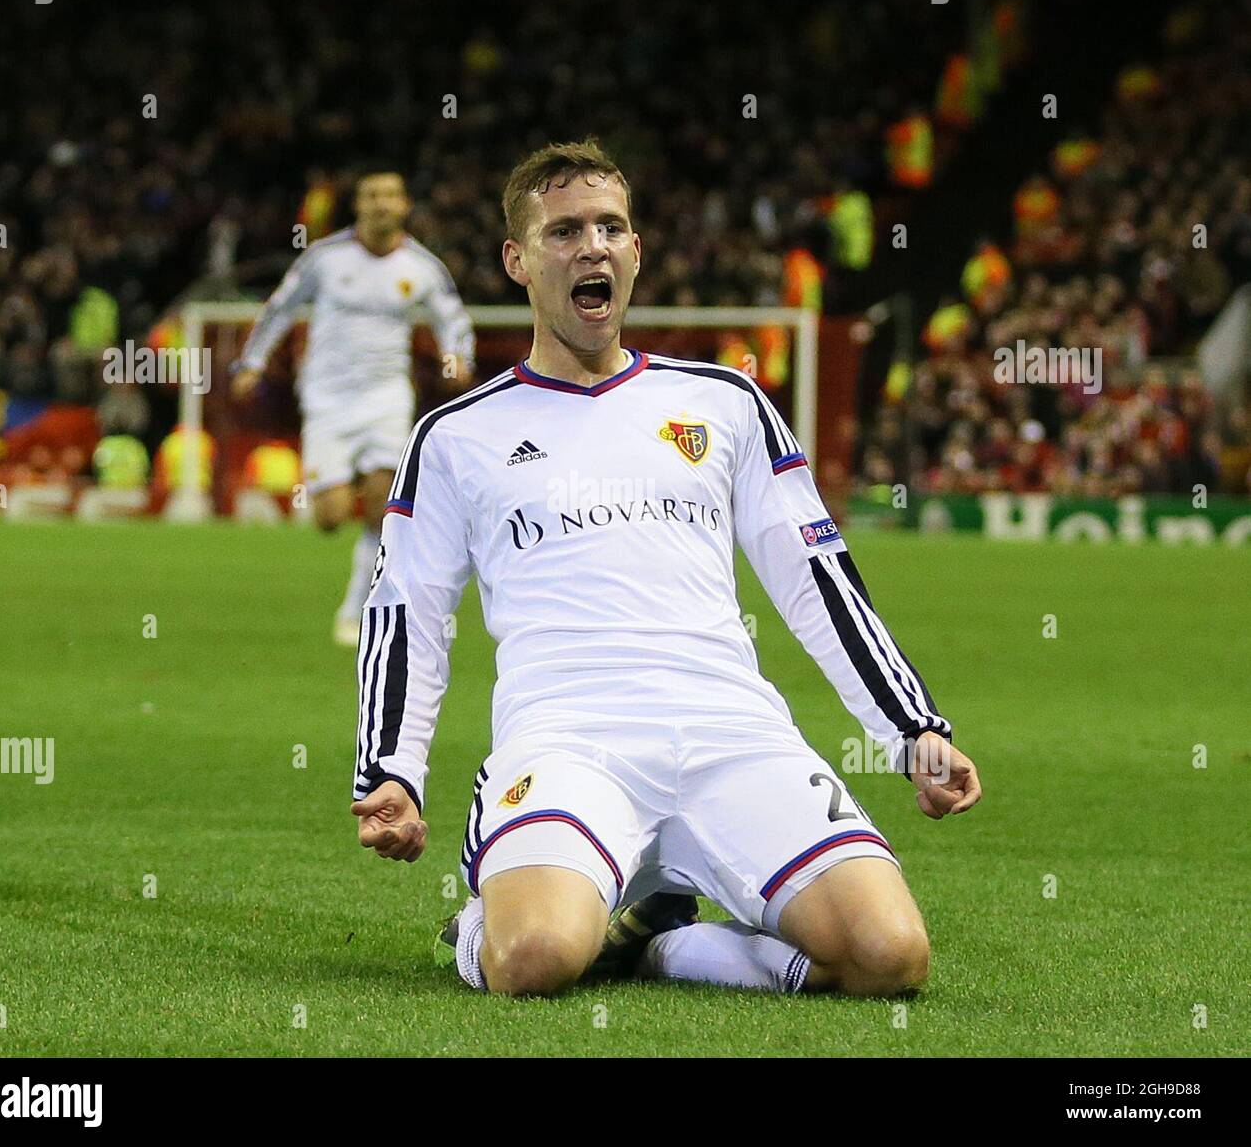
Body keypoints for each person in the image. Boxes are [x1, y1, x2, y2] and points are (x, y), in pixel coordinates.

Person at [350, 139, 980, 998]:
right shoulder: (457, 436)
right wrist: (390, 769)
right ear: (518, 261)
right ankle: (481, 926)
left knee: (888, 955)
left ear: (636, 251)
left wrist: (910, 728)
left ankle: (660, 944)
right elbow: (406, 612)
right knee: (532, 961)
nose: (593, 247)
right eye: (564, 231)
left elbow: (816, 580)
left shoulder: (723, 403)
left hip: (733, 733)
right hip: (568, 738)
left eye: (611, 228)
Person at [232, 169, 475, 645]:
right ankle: (361, 586)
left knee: (383, 507)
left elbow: (453, 318)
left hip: (386, 395)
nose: (381, 204)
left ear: (404, 205)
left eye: (390, 195)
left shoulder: (422, 266)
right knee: (329, 515)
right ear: (358, 205)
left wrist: (457, 358)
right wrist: (251, 362)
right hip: (326, 398)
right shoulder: (325, 258)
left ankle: (356, 610)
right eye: (371, 196)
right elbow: (280, 307)